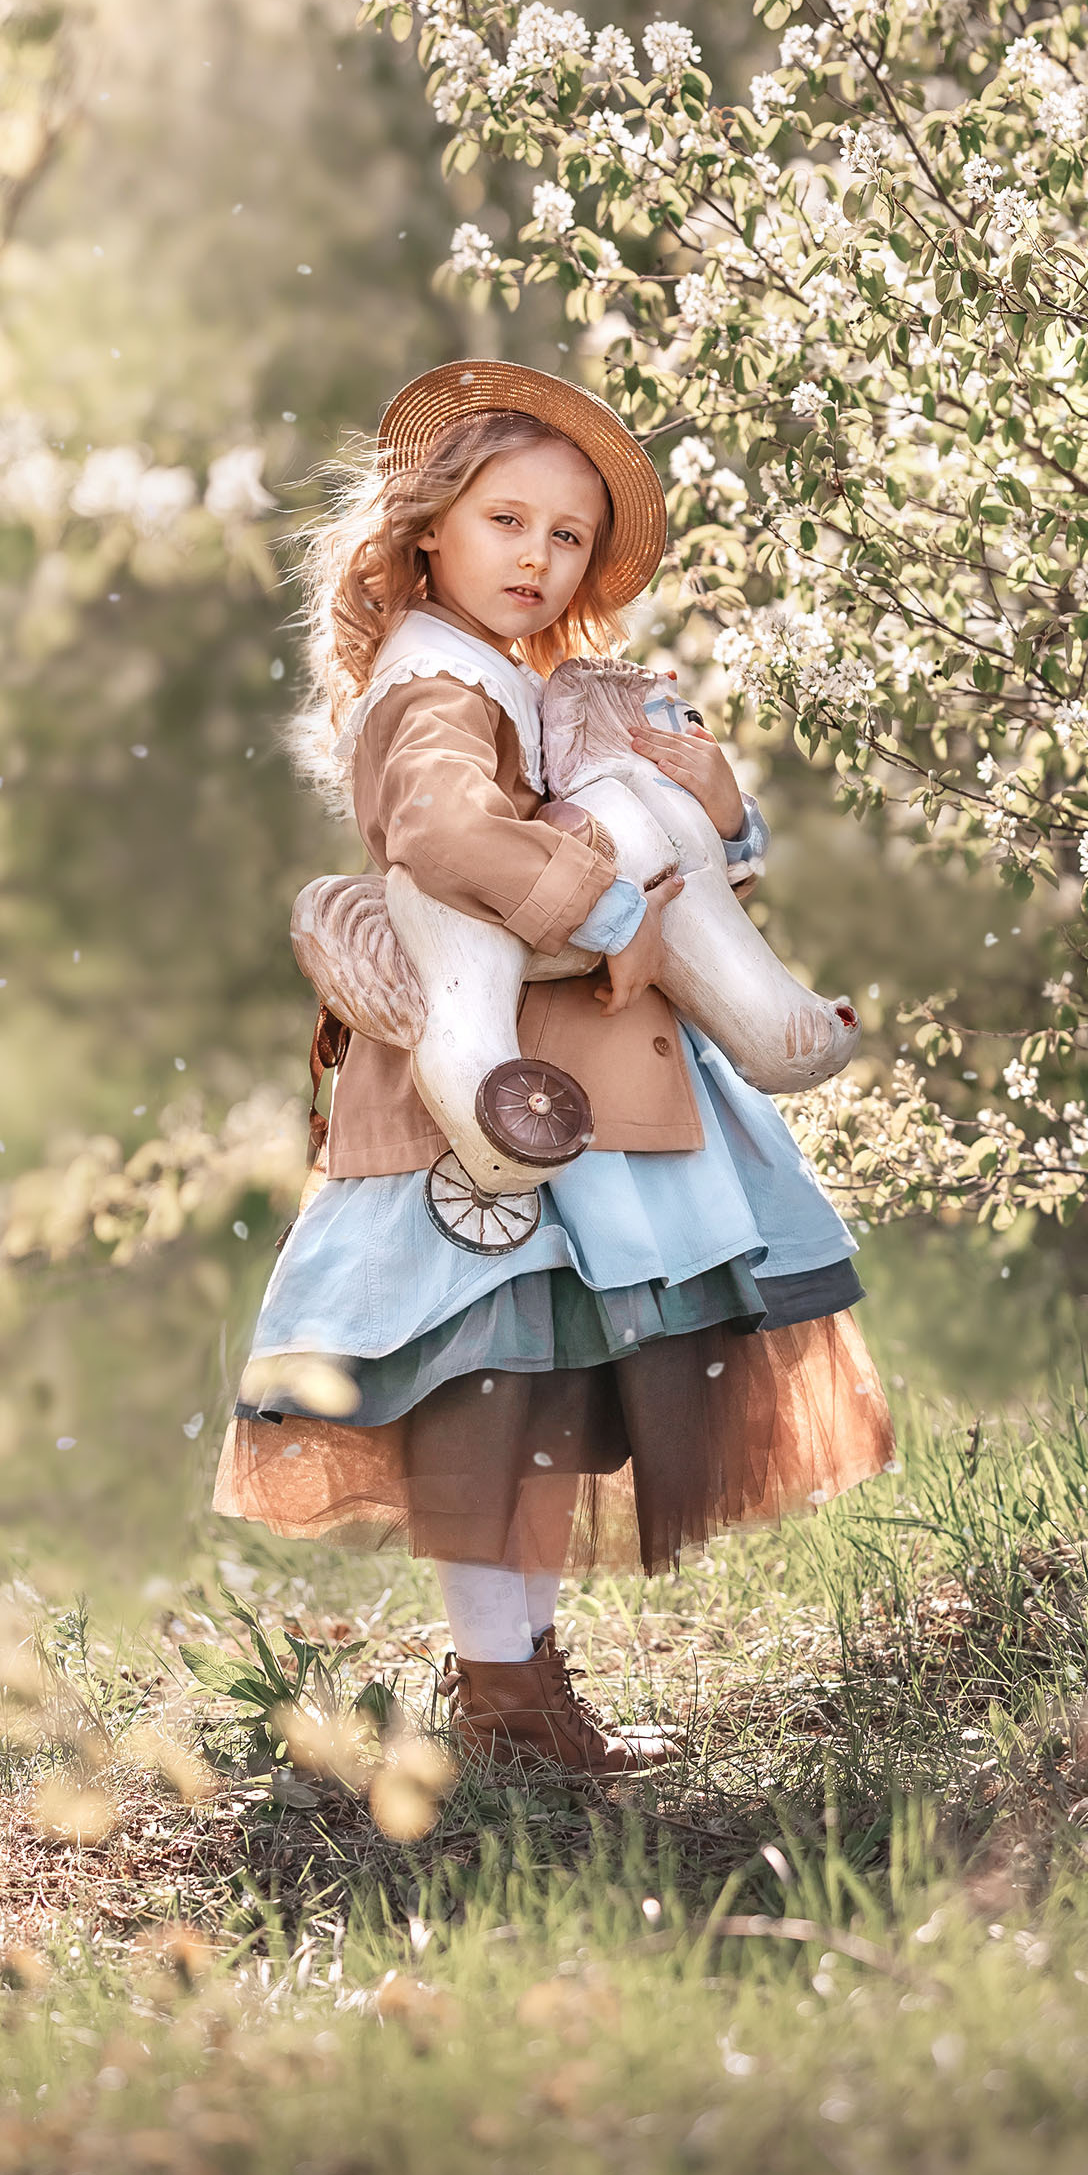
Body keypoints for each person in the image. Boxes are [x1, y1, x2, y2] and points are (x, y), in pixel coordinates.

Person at [215, 359, 893, 1775]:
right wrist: (604, 911)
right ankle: (505, 1694)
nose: (536, 557)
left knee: (533, 1391)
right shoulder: (435, 692)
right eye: (505, 521)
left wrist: (719, 814)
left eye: (566, 536)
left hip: (585, 1077)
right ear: (429, 534)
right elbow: (445, 843)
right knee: (490, 1389)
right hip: (505, 1090)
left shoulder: (534, 687)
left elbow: (662, 853)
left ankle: (521, 1693)